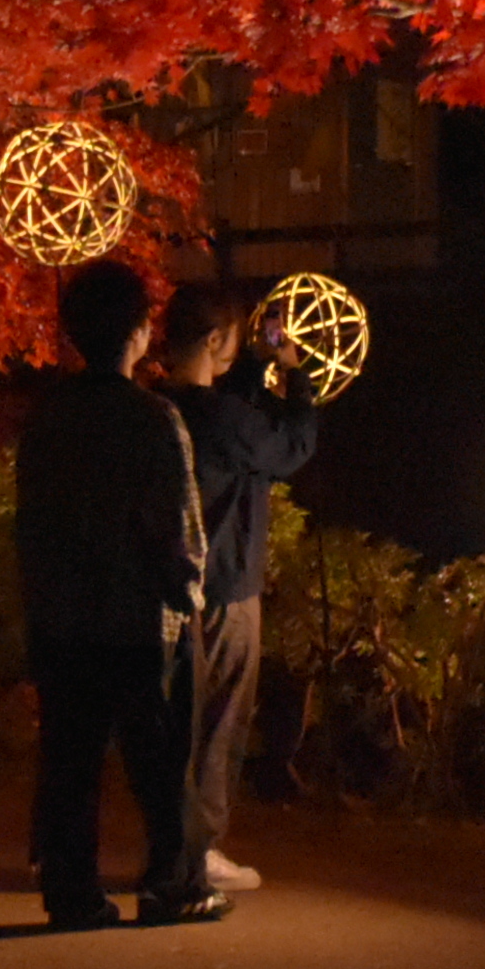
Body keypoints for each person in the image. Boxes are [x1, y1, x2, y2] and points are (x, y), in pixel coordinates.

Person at [14, 259, 221, 930]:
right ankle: (172, 884)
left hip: (62, 615)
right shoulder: (152, 419)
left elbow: (31, 522)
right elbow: (177, 526)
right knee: (158, 763)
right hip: (134, 620)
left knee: (71, 760)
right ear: (137, 333)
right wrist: (186, 592)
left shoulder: (49, 418)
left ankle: (72, 890)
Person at [158, 281, 323, 892]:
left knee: (180, 721)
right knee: (223, 719)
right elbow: (290, 445)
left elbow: (233, 414)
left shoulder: (163, 408)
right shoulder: (224, 418)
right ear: (215, 339)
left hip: (172, 585)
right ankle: (199, 853)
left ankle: (176, 844)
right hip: (227, 587)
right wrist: (298, 380)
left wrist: (255, 362)